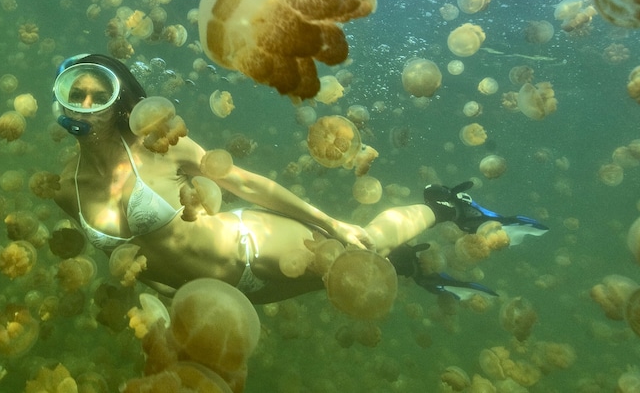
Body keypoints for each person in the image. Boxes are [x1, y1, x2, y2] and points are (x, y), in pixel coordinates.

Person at [51, 54, 547, 304]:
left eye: (101, 93)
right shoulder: (66, 188)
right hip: (233, 296)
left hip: (254, 246)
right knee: (354, 283)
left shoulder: (159, 147)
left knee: (362, 246)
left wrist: (330, 220)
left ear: (122, 101)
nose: (88, 104)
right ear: (63, 100)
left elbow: (246, 185)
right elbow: (126, 255)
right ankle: (416, 266)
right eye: (78, 93)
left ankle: (445, 205)